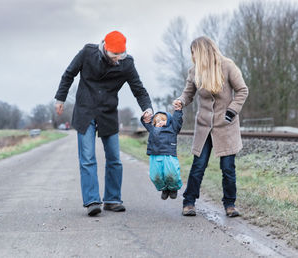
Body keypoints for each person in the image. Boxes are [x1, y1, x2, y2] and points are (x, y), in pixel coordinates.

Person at [54, 30, 153, 216]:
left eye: (121, 54)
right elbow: (68, 74)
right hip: (85, 111)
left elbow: (139, 90)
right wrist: (60, 99)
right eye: (115, 55)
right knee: (88, 158)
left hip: (108, 113)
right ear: (105, 48)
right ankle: (92, 201)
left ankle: (112, 199)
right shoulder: (87, 53)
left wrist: (147, 108)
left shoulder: (127, 64)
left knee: (114, 158)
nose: (118, 58)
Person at [173, 36, 248, 217]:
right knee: (198, 165)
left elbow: (242, 90)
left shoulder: (228, 66)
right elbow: (188, 94)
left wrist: (231, 111)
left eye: (194, 52)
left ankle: (230, 205)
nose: (192, 56)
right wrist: (180, 102)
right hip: (204, 126)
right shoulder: (194, 71)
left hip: (226, 125)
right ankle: (189, 202)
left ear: (202, 52)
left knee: (228, 167)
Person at [140, 107, 183, 200]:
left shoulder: (173, 128)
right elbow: (146, 122)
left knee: (171, 174)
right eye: (157, 121)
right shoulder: (153, 129)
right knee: (155, 176)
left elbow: (177, 120)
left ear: (168, 121)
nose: (160, 122)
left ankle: (173, 188)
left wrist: (178, 111)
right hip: (155, 155)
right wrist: (144, 116)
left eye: (163, 120)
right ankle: (164, 188)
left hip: (169, 155)